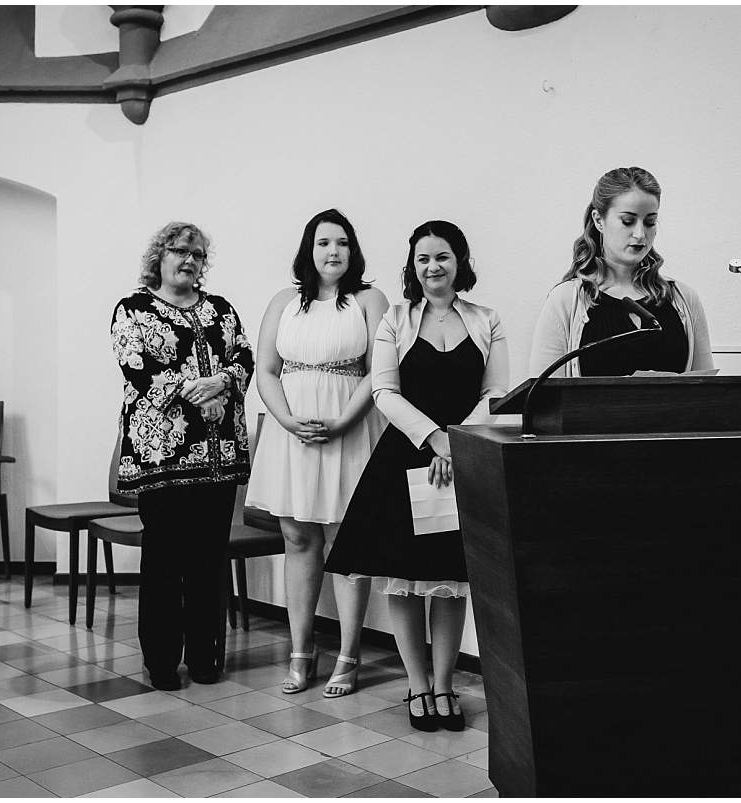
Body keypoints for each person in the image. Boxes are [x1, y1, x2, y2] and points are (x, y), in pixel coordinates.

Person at [326, 220, 508, 732]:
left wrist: (459, 442)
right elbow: (384, 392)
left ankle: (446, 685)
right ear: (413, 265)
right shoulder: (396, 320)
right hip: (405, 457)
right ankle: (418, 685)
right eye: (423, 258)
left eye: (443, 257)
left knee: (453, 578)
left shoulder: (487, 319)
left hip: (466, 460)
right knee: (404, 581)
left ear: (460, 262)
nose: (433, 266)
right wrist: (435, 439)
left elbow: (498, 394)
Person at [246, 209, 388, 697]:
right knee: (298, 539)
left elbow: (379, 369)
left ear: (354, 250)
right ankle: (301, 651)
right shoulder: (285, 301)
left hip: (348, 427)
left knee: (345, 542)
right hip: (292, 433)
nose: (334, 252)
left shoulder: (370, 299)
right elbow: (265, 369)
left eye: (343, 243)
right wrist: (285, 421)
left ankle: (349, 655)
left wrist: (346, 419)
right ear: (309, 249)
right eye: (324, 242)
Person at [110, 221, 253, 691]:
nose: (188, 260)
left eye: (196, 254)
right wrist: (200, 391)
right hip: (161, 459)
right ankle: (162, 660)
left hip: (218, 457)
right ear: (159, 256)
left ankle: (206, 656)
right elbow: (139, 369)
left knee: (208, 561)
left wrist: (223, 383)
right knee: (165, 561)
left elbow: (244, 357)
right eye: (178, 251)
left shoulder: (221, 311)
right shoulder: (132, 310)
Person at [529, 166, 713, 377]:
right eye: (628, 221)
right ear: (599, 220)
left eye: (650, 222)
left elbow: (707, 390)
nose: (640, 234)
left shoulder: (684, 299)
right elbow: (542, 398)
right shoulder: (565, 301)